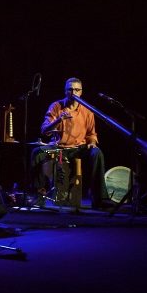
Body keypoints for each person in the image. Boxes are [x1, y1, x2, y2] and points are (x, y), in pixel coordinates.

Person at [31, 77, 115, 210]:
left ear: (81, 92)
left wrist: (92, 142)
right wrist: (58, 119)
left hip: (78, 148)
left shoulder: (87, 110)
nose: (73, 92)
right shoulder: (56, 106)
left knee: (97, 153)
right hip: (58, 148)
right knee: (37, 153)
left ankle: (100, 199)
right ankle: (39, 196)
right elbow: (44, 130)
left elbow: (91, 134)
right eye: (70, 89)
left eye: (77, 89)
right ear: (65, 92)